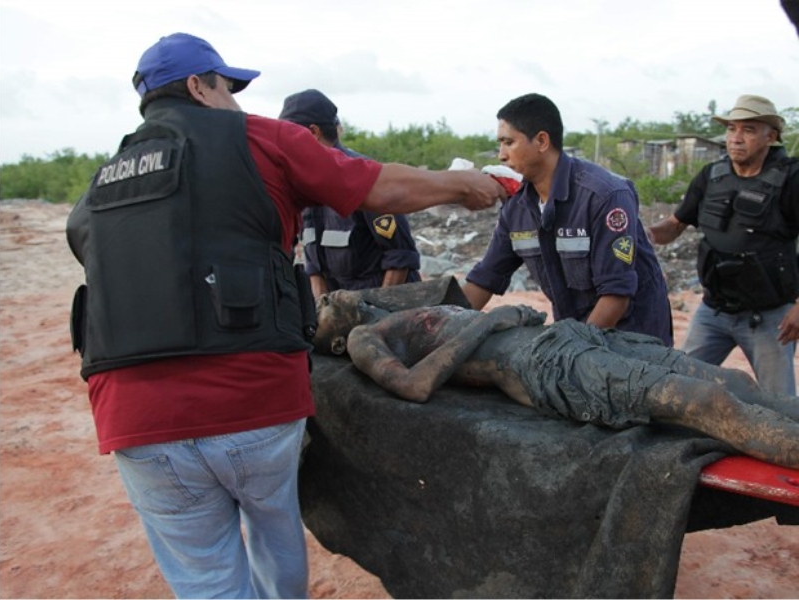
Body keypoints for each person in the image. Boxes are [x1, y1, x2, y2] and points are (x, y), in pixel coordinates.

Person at [65, 33, 506, 599]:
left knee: (205, 577)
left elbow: (86, 242)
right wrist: (460, 184)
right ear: (200, 87)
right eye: (230, 87)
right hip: (252, 402)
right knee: (274, 536)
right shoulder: (260, 139)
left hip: (135, 419)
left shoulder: (106, 177)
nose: (238, 102)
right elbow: (376, 185)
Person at [312, 288, 799, 470]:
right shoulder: (364, 339)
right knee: (705, 402)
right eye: (321, 309)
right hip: (546, 368)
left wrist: (503, 316)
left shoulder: (392, 304)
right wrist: (489, 321)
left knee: (736, 385)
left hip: (566, 338)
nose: (327, 298)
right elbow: (415, 386)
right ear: (335, 343)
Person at [463, 93, 674, 346]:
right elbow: (486, 278)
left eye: (509, 142)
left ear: (541, 141)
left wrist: (568, 353)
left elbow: (616, 296)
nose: (501, 155)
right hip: (575, 334)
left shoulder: (604, 196)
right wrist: (438, 323)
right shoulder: (517, 207)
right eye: (500, 144)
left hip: (633, 342)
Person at [647, 94, 799, 395]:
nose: (736, 138)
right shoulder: (711, 176)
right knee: (677, 386)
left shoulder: (791, 178)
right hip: (713, 310)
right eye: (732, 129)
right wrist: (642, 235)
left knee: (780, 405)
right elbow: (675, 225)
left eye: (749, 130)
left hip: (770, 317)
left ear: (771, 136)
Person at [279, 88, 422, 298]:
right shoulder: (302, 185)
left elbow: (400, 257)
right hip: (342, 313)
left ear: (313, 133)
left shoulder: (366, 178)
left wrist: (374, 315)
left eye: (288, 136)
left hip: (386, 309)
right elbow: (314, 265)